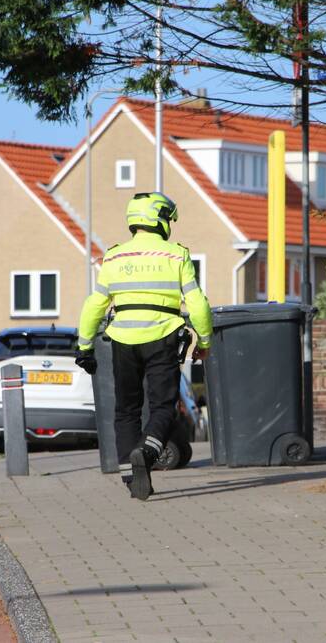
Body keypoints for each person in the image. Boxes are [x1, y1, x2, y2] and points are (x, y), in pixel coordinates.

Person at [75, 192, 213, 500]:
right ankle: (147, 452)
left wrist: (84, 346)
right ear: (160, 220)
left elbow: (95, 304)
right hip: (163, 336)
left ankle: (131, 475)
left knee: (126, 410)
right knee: (163, 406)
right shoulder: (176, 255)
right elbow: (198, 304)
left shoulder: (114, 256)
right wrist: (204, 340)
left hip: (122, 340)